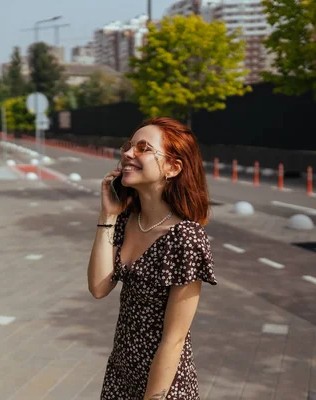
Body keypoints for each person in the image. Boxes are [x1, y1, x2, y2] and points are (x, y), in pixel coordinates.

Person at [87, 117, 217, 400]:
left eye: (143, 148)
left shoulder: (185, 238)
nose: (128, 154)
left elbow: (174, 340)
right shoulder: (126, 219)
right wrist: (107, 214)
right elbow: (99, 287)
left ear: (172, 167)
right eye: (128, 146)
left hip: (163, 387)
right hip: (121, 374)